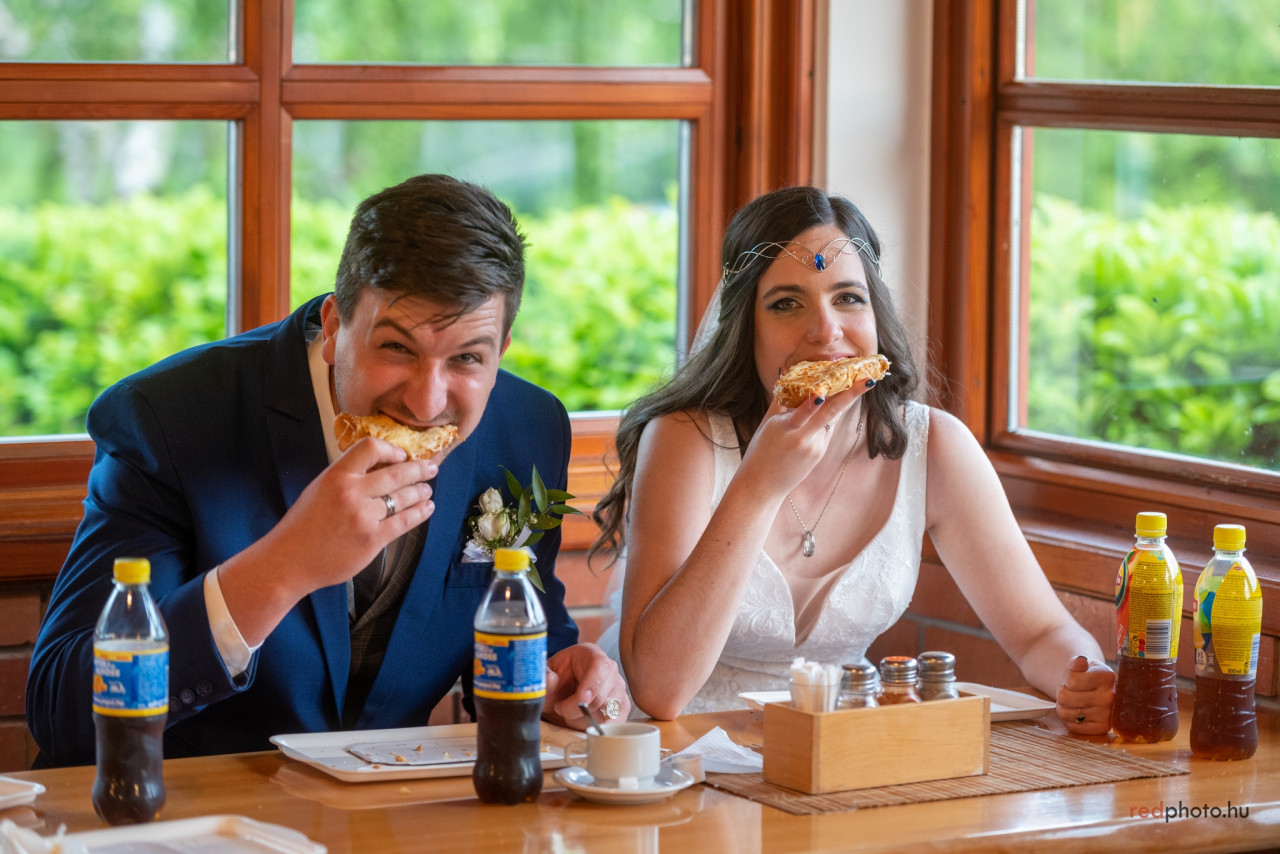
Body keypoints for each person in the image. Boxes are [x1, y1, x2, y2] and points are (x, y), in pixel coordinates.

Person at [27, 174, 628, 766]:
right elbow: (63, 712)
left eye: (468, 357)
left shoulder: (526, 429)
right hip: (186, 806)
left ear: (503, 347)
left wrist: (559, 682)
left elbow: (512, 641)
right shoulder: (166, 419)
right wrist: (284, 566)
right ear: (336, 325)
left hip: (394, 810)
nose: (426, 403)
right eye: (396, 348)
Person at [590, 185, 1113, 733]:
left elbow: (1040, 634)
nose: (826, 331)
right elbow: (660, 690)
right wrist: (759, 485)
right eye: (786, 303)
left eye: (848, 298)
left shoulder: (934, 445)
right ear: (746, 327)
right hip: (682, 750)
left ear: (875, 313)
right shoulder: (684, 438)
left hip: (844, 749)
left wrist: (1084, 675)